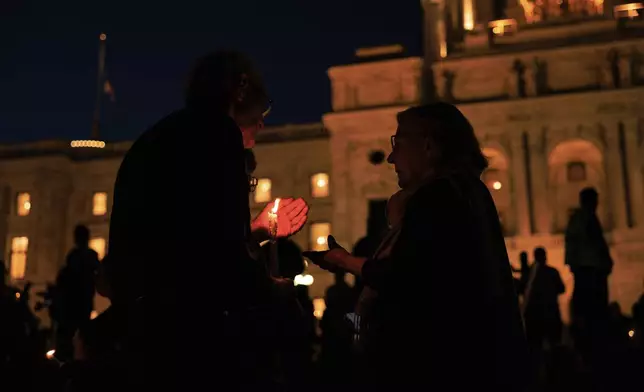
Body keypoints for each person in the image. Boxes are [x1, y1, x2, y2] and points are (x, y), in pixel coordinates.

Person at [103, 50, 309, 390]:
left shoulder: (161, 135)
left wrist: (256, 229)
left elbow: (189, 231)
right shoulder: (217, 133)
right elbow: (217, 258)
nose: (263, 120)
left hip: (149, 326)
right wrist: (273, 291)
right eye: (265, 106)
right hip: (187, 331)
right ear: (241, 88)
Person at [305, 103, 529, 390]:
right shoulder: (468, 190)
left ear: (428, 146)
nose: (390, 156)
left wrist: (345, 261)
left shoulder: (439, 195)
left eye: (398, 143)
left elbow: (404, 276)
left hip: (445, 368)